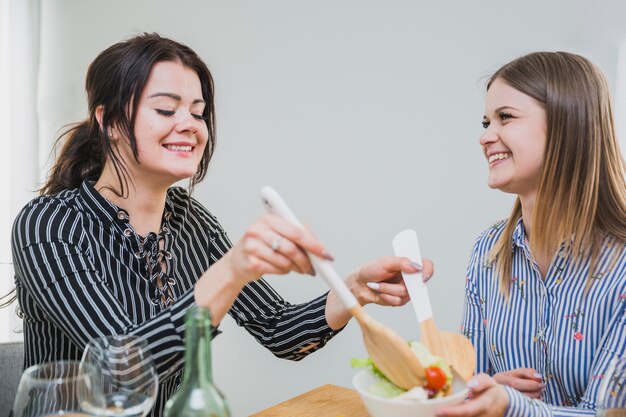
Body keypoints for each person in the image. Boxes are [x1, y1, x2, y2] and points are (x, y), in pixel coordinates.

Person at [10, 33, 432, 417]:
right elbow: (120, 371)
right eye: (165, 109)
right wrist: (230, 270)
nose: (191, 125)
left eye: (198, 112)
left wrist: (353, 289)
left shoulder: (191, 222)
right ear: (109, 121)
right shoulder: (49, 226)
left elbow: (280, 330)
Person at [438, 51, 626, 417]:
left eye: (505, 117)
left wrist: (511, 406)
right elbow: (469, 381)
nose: (485, 137)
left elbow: (609, 414)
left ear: (567, 124)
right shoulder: (488, 250)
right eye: (485, 122)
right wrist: (483, 392)